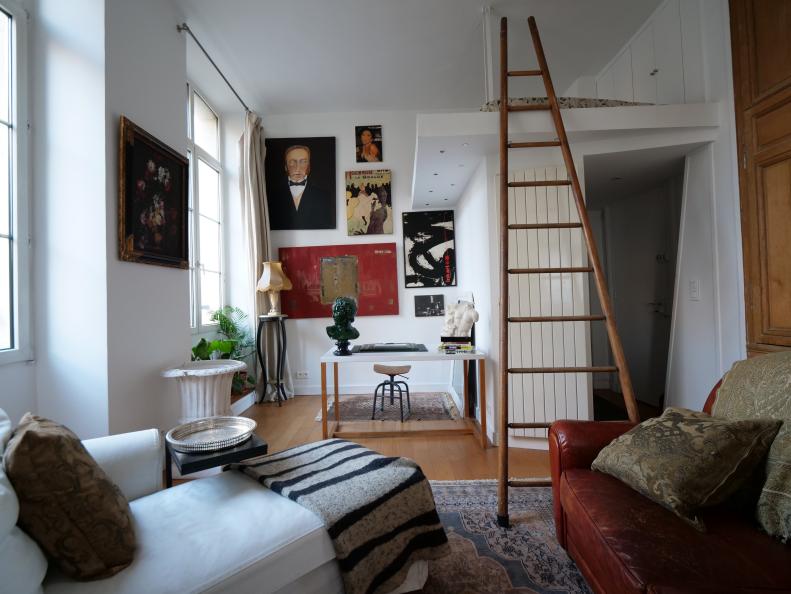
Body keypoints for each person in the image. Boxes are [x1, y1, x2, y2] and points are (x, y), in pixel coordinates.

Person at [268, 144, 334, 230]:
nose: (297, 168)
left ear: (309, 167)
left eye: (303, 162)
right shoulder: (272, 196)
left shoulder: (324, 196)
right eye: (292, 162)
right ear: (285, 166)